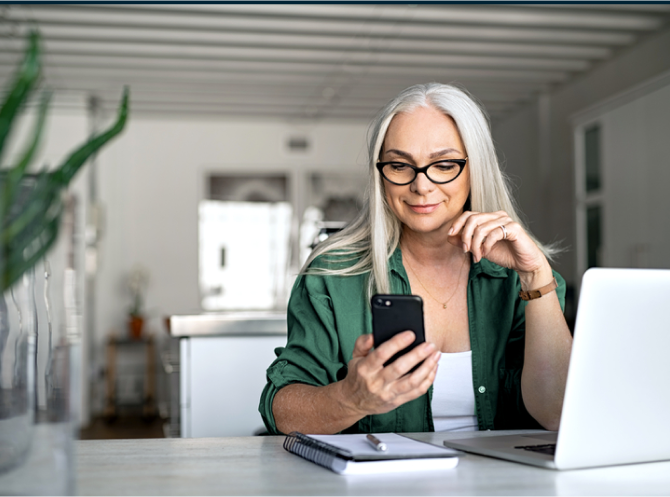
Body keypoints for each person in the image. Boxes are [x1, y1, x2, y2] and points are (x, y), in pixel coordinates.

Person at [259, 83, 573, 435]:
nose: (421, 186)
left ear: (475, 168)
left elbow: (558, 413)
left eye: (443, 165)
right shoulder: (332, 274)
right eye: (399, 165)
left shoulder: (526, 280)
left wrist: (536, 277)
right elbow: (282, 411)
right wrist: (351, 399)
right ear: (381, 175)